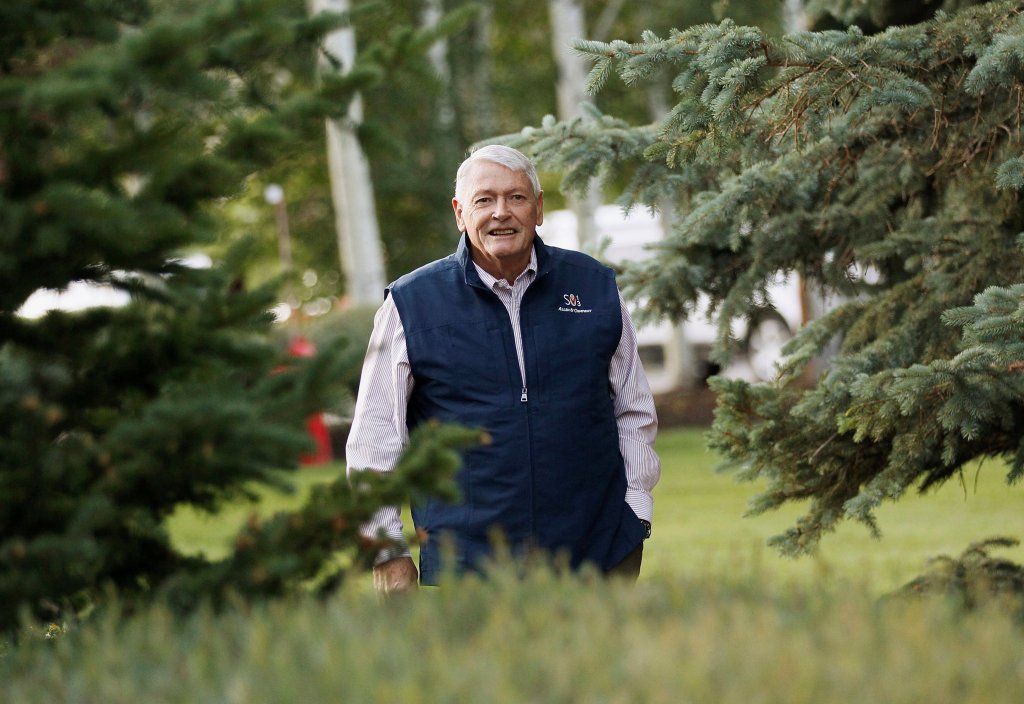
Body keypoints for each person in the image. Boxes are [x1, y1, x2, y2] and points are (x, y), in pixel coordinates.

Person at [346, 144, 661, 593]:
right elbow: (375, 437)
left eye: (516, 197)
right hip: (466, 565)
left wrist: (635, 511)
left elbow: (634, 409)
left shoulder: (594, 288)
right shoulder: (411, 303)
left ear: (538, 209)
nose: (501, 212)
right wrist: (385, 550)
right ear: (460, 213)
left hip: (597, 554)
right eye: (484, 200)